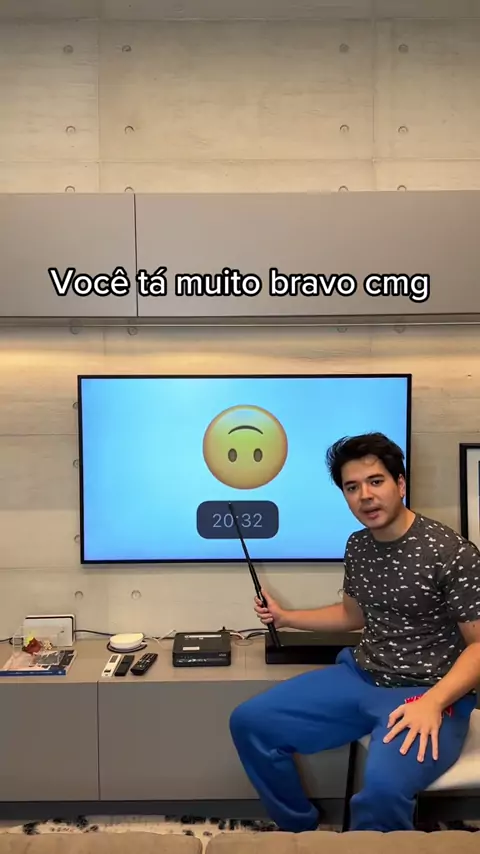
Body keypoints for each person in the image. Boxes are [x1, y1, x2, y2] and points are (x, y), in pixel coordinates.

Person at [229, 432, 480, 833]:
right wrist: (286, 617)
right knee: (250, 722)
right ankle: (300, 831)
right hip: (361, 676)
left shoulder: (452, 552)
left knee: (381, 791)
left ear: (400, 484)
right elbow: (352, 615)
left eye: (376, 481)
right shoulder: (359, 545)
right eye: (352, 487)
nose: (365, 496)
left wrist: (432, 702)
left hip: (428, 692)